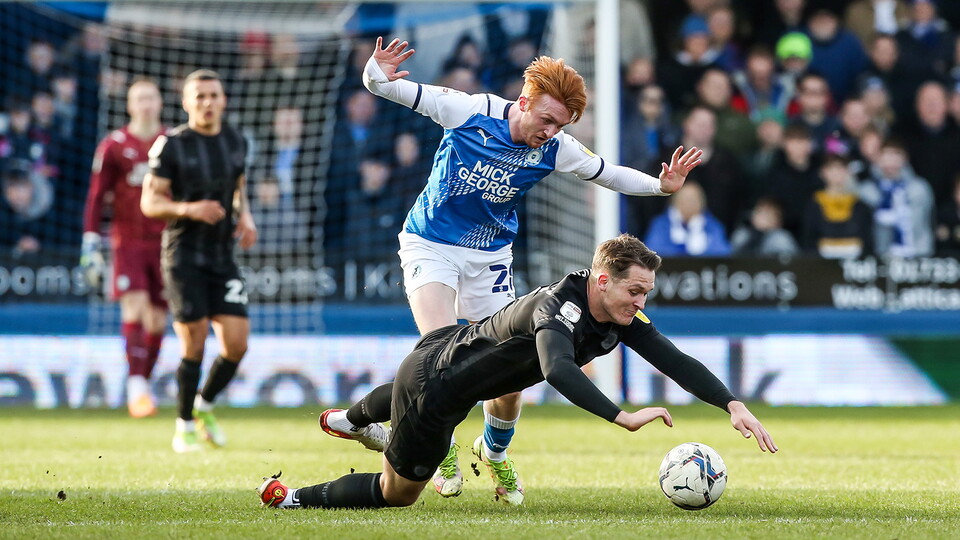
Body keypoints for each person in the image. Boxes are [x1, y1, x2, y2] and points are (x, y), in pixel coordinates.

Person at [326, 36, 702, 506]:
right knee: (442, 360)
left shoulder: (557, 146)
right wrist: (374, 73)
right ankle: (442, 452)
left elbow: (607, 173)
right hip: (432, 244)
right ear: (522, 101)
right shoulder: (467, 110)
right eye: (545, 119)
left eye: (559, 125)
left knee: (512, 372)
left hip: (489, 259)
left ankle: (495, 451)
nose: (549, 131)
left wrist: (661, 187)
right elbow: (385, 88)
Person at [257, 234, 778, 510]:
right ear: (602, 280)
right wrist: (620, 416)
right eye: (634, 291)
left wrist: (731, 403)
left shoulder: (617, 313)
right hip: (436, 391)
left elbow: (673, 358)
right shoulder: (558, 308)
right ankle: (295, 499)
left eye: (646, 293)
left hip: (439, 354)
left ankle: (351, 420)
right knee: (399, 494)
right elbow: (555, 367)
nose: (641, 302)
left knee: (418, 388)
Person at [140, 69, 257, 453]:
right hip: (184, 254)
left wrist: (246, 216)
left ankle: (204, 404)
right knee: (194, 343)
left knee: (237, 344)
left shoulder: (237, 140)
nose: (207, 102)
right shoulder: (171, 145)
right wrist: (190, 208)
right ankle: (184, 424)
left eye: (213, 95)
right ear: (187, 103)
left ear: (224, 100)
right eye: (200, 96)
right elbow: (150, 201)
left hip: (223, 255)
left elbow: (238, 185)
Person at [81, 78, 169, 418]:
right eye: (140, 99)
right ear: (130, 105)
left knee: (158, 320)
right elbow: (96, 194)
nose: (146, 104)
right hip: (127, 240)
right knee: (134, 308)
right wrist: (91, 238)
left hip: (166, 242)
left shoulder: (171, 142)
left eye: (151, 97)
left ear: (159, 103)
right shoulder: (114, 145)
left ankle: (141, 385)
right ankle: (136, 388)